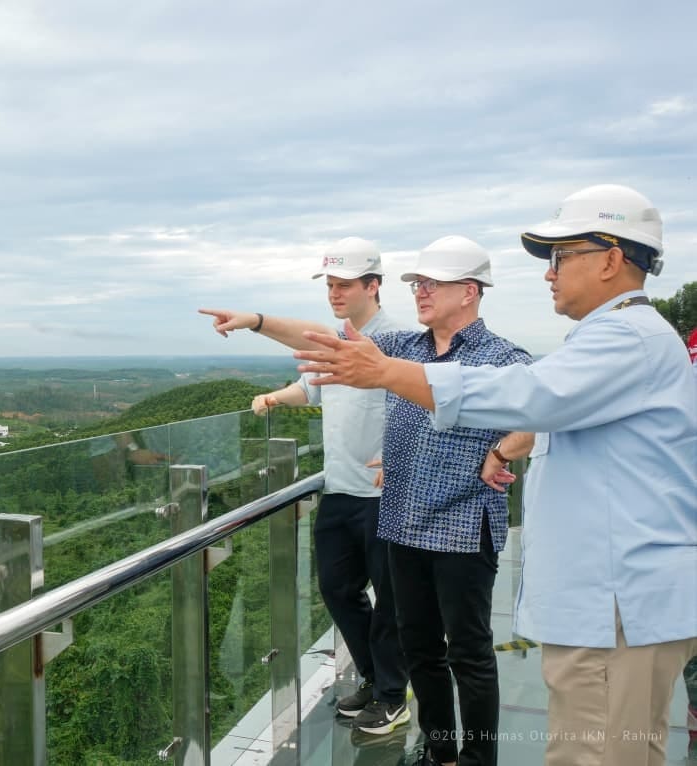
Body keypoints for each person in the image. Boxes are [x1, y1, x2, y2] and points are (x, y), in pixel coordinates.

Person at [293, 184, 697, 766]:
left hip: (616, 610)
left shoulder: (626, 338)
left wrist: (387, 373)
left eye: (561, 257)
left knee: (594, 752)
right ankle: (442, 749)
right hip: (607, 608)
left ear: (610, 259)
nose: (549, 274)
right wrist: (506, 449)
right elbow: (558, 408)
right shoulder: (618, 339)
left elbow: (529, 394)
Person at [203, 235, 533, 766]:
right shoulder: (407, 349)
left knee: (468, 653)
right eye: (417, 284)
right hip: (402, 522)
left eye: (432, 284)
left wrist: (499, 451)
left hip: (462, 524)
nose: (420, 292)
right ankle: (441, 752)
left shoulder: (501, 357)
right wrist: (258, 320)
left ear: (470, 292)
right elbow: (322, 338)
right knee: (421, 649)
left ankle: (478, 760)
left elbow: (529, 423)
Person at [205, 238, 411, 736]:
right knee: (338, 589)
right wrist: (276, 397)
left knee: (390, 600)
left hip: (387, 493)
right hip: (341, 488)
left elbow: (310, 337)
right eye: (331, 286)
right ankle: (373, 677)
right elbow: (313, 387)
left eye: (345, 285)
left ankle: (392, 694)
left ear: (373, 286)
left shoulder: (396, 342)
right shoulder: (338, 338)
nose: (335, 294)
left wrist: (256, 320)